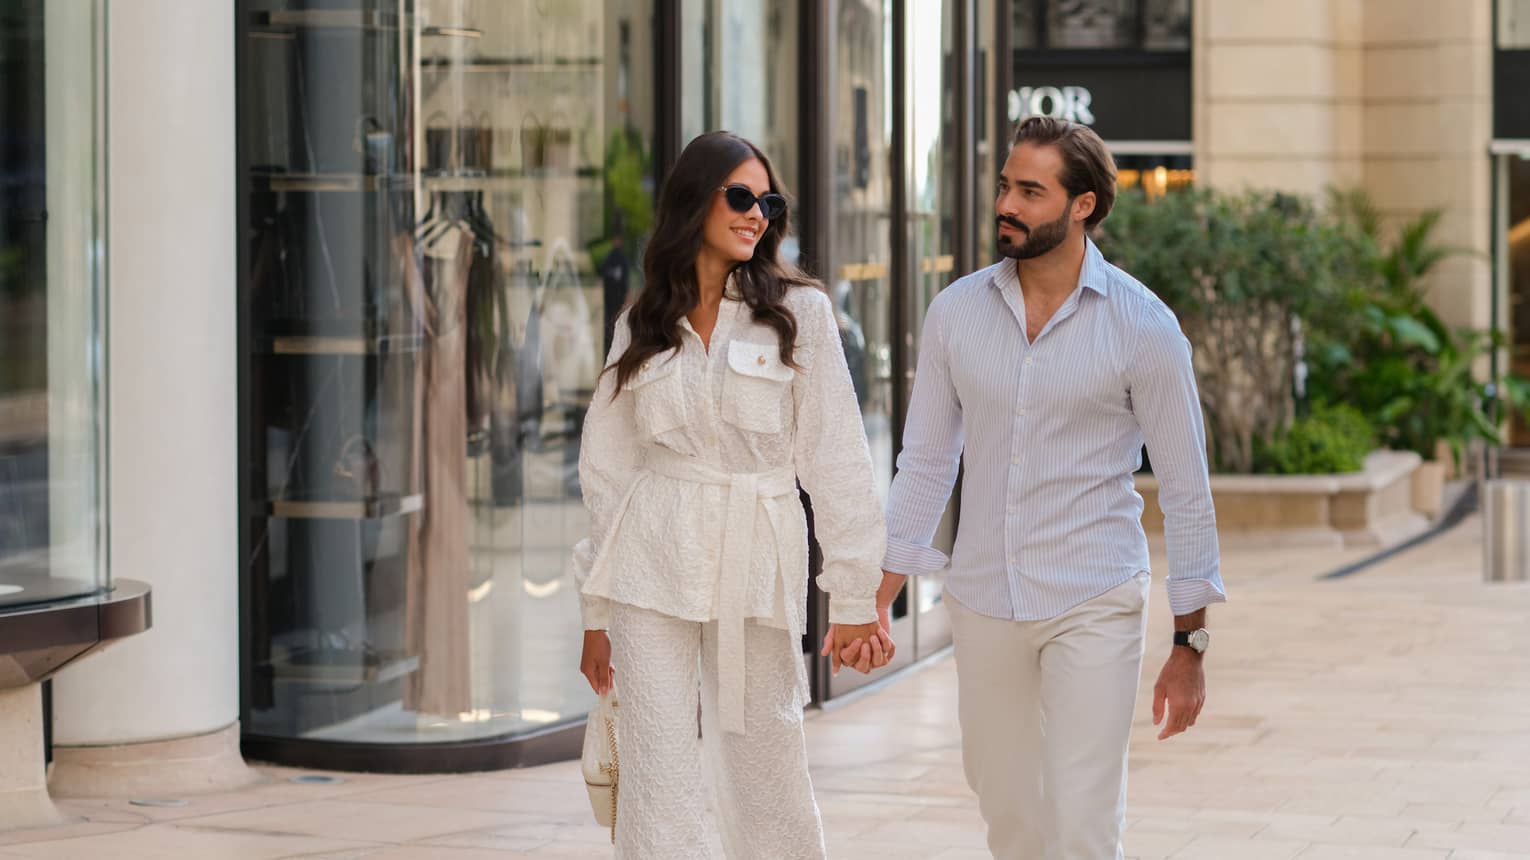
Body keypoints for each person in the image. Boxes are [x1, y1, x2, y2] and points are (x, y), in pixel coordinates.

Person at [874, 116, 1226, 859]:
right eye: (1005, 185)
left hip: (1092, 595)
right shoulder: (956, 313)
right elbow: (928, 457)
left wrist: (1189, 643)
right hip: (982, 597)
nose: (1007, 203)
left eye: (1030, 191)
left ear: (1083, 206)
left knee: (1082, 813)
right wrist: (879, 589)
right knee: (1007, 806)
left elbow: (1187, 489)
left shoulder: (1145, 327)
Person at [571, 130, 893, 859]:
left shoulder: (799, 314)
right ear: (694, 202)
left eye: (767, 201)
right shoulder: (643, 321)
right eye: (741, 197)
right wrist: (595, 610)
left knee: (766, 754)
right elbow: (608, 472)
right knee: (657, 767)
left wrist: (851, 599)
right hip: (651, 564)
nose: (757, 214)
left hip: (756, 560)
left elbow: (838, 459)